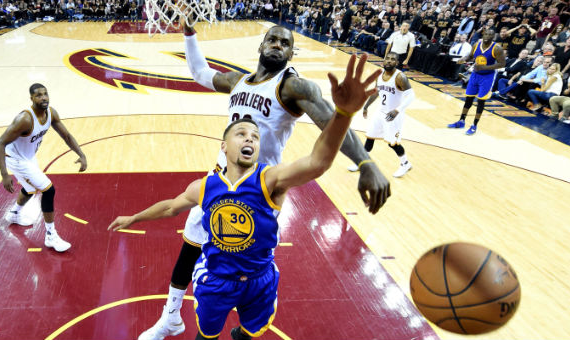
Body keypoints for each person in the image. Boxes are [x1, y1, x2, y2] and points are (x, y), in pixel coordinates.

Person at [135, 22, 392, 340]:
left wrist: (366, 162)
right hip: (218, 182)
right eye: (272, 39)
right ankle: (171, 318)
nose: (278, 44)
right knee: (189, 250)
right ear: (261, 45)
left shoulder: (294, 87)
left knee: (243, 271)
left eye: (285, 43)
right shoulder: (238, 80)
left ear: (291, 52)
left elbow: (331, 124)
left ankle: (245, 330)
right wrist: (189, 33)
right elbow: (201, 73)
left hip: (259, 194)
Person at [0, 83, 87, 252]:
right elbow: (0, 142)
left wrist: (81, 154)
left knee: (30, 188)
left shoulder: (50, 113)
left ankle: (14, 214)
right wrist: (4, 174)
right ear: (32, 99)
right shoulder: (25, 119)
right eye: (38, 95)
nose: (43, 97)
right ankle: (51, 236)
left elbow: (66, 135)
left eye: (45, 94)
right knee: (48, 190)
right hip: (15, 160)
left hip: (28, 158)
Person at [347, 52, 415, 178]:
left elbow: (411, 96)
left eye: (393, 59)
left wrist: (397, 110)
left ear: (397, 63)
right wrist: (367, 106)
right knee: (370, 137)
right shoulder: (380, 75)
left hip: (393, 115)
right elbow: (377, 92)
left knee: (393, 143)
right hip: (380, 112)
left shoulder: (400, 77)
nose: (389, 61)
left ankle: (405, 163)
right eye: (387, 58)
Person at [448, 28, 505, 135]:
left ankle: (474, 125)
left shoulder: (497, 48)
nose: (487, 36)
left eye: (490, 34)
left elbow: (502, 64)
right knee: (468, 99)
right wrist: (463, 59)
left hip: (487, 77)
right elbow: (470, 57)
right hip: (475, 74)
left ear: (493, 37)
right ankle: (461, 121)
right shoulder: (476, 45)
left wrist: (485, 68)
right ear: (483, 34)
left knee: (480, 101)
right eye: (486, 33)